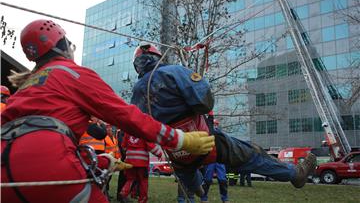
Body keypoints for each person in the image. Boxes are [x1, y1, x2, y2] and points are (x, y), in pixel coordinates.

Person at [1, 19, 214, 203]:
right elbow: (127, 116)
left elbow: (24, 143)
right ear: (63, 45)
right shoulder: (72, 74)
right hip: (51, 163)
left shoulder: (26, 87)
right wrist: (179, 140)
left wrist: (104, 161)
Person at [130, 43, 316, 196]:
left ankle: (197, 188)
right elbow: (204, 101)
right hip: (202, 141)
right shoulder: (172, 72)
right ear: (157, 56)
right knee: (252, 154)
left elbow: (139, 126)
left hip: (175, 150)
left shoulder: (137, 92)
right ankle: (294, 174)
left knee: (186, 170)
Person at [120, 133, 163, 203]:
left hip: (130, 161)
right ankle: (142, 200)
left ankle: (123, 193)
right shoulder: (143, 131)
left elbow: (123, 146)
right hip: (142, 162)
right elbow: (151, 146)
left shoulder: (127, 131)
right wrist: (159, 154)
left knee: (130, 179)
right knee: (143, 181)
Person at [200, 119, 228, 203]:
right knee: (207, 179)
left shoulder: (221, 135)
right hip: (210, 159)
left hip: (219, 160)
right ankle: (204, 198)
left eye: (216, 124)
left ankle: (225, 198)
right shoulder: (207, 134)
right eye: (214, 124)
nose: (215, 126)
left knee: (222, 179)